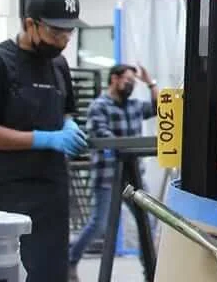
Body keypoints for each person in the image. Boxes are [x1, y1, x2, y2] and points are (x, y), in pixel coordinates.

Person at [0, 0, 88, 282]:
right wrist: (44, 138)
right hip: (12, 193)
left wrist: (68, 126)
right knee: (16, 273)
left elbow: (65, 111)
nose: (63, 41)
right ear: (29, 24)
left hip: (53, 190)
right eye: (56, 33)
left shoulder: (59, 66)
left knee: (51, 272)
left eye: (68, 34)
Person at [68, 64, 158, 281]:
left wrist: (150, 83)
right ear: (114, 79)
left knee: (148, 221)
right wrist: (126, 146)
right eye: (127, 80)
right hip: (108, 175)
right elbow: (102, 134)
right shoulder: (99, 106)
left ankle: (150, 272)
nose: (130, 85)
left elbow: (160, 108)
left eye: (133, 82)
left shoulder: (135, 106)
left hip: (134, 174)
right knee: (99, 224)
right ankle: (70, 260)